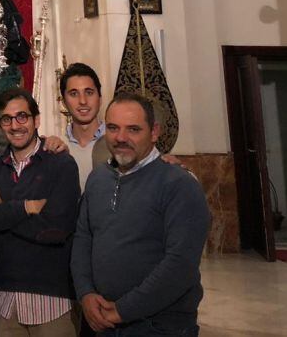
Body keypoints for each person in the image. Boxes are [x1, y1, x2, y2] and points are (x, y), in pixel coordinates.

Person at [71, 93, 210, 336]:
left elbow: (180, 264)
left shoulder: (178, 184)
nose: (121, 138)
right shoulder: (98, 179)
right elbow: (83, 238)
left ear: (154, 132)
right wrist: (86, 293)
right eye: (113, 128)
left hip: (159, 326)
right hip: (102, 322)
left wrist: (123, 310)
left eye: (133, 129)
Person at [0, 88, 80, 337]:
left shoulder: (61, 164)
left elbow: (56, 230)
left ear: (36, 120)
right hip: (3, 298)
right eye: (6, 119)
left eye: (22, 116)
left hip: (51, 300)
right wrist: (26, 207)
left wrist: (2, 208)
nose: (15, 125)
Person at [59, 63, 110, 189]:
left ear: (100, 98)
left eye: (89, 92)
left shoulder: (118, 141)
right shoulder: (57, 147)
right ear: (64, 102)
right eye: (74, 94)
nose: (83, 101)